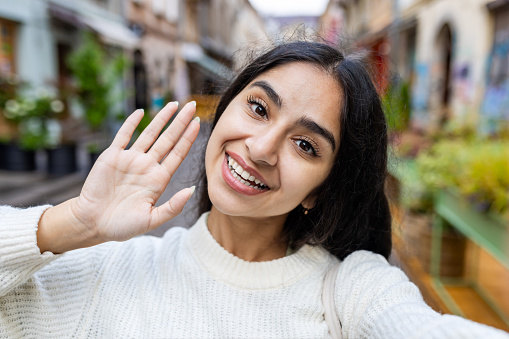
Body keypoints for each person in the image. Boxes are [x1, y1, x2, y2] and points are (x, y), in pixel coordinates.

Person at [0, 41, 507, 338]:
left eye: (306, 146)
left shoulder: (351, 293)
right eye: (259, 108)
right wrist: (72, 224)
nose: (262, 147)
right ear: (225, 110)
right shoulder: (109, 270)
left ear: (321, 190)